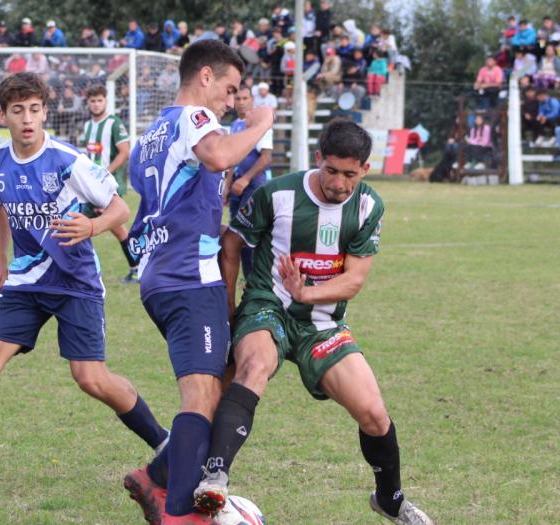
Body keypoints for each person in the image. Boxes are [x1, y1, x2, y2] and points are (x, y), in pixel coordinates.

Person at [0, 72, 170, 501]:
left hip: (75, 282)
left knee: (90, 378)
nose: (27, 119)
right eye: (17, 111)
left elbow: (120, 208)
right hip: (24, 280)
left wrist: (93, 225)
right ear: (3, 116)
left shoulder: (68, 160)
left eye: (34, 110)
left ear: (45, 112)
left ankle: (164, 441)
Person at [191, 119, 434, 525]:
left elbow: (353, 280)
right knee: (253, 367)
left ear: (366, 170)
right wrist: (229, 312)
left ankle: (389, 499)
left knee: (374, 414)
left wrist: (307, 293)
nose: (339, 183)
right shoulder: (278, 193)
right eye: (332, 170)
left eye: (350, 174)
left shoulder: (369, 206)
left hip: (321, 321)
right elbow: (231, 244)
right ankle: (215, 477)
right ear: (318, 158)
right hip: (268, 305)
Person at [121, 40, 273, 525]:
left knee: (213, 384)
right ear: (204, 76)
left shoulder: (150, 134)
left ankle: (154, 478)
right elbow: (218, 156)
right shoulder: (195, 121)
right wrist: (261, 124)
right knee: (203, 396)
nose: (231, 102)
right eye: (229, 90)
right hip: (191, 276)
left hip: (159, 277)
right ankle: (181, 513)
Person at [78, 84, 137, 283]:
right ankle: (138, 266)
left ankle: (138, 267)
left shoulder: (114, 123)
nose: (96, 105)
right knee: (112, 228)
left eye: (99, 100)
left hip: (109, 185)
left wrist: (105, 172)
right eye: (92, 101)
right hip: (89, 186)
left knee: (112, 227)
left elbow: (125, 152)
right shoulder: (87, 126)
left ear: (106, 101)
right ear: (88, 103)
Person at [224, 86, 273, 277]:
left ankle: (255, 278)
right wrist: (228, 183)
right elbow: (232, 158)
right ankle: (247, 277)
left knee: (249, 233)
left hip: (253, 184)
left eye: (245, 98)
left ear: (252, 100)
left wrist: (245, 179)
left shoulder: (259, 124)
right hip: (237, 185)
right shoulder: (235, 124)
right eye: (238, 98)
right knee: (235, 233)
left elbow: (266, 158)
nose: (241, 102)